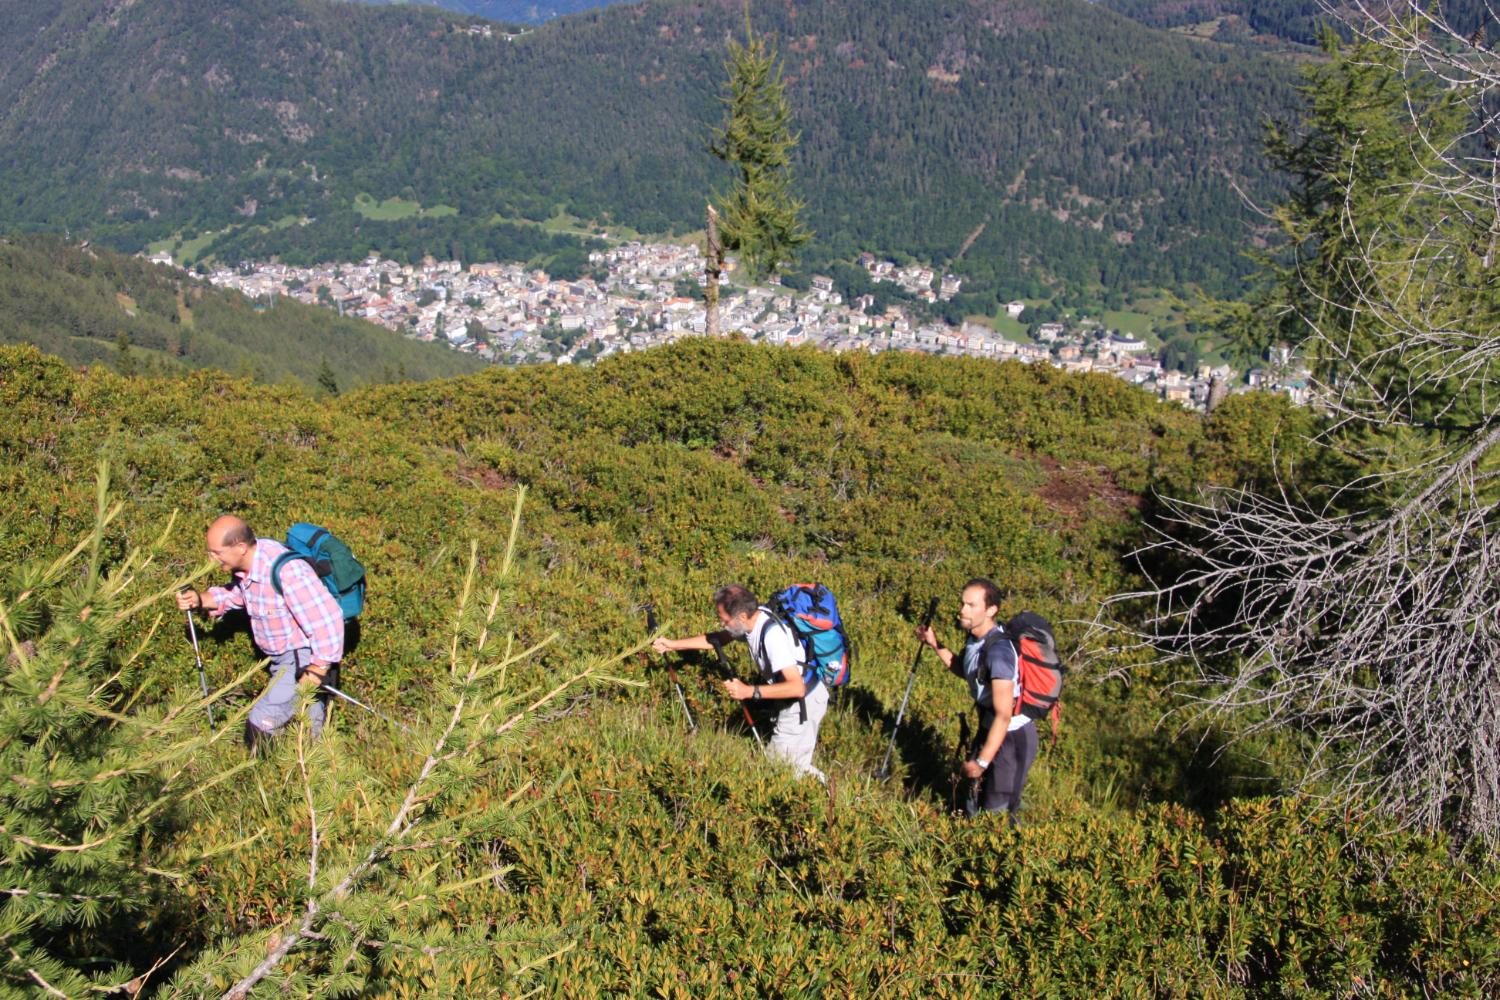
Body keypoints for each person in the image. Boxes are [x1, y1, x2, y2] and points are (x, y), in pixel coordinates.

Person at [176, 515, 344, 749]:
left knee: (261, 724)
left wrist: (318, 670)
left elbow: (328, 619)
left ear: (240, 547)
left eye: (216, 552)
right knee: (308, 730)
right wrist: (200, 600)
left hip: (301, 660)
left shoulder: (288, 571)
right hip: (282, 661)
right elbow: (238, 595)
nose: (211, 559)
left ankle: (261, 776)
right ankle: (312, 776)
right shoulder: (250, 567)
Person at [652, 584, 827, 782]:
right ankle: (828, 793)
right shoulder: (752, 620)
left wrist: (748, 691)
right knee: (792, 765)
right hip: (796, 700)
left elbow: (797, 687)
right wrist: (673, 644)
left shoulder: (771, 637)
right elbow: (717, 639)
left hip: (803, 704)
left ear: (741, 616)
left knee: (780, 770)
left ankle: (830, 797)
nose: (720, 623)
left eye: (724, 619)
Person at [916, 578, 1037, 822]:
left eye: (971, 605)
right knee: (973, 799)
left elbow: (1004, 715)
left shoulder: (999, 652)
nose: (963, 610)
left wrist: (982, 761)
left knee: (996, 814)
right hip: (989, 728)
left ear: (991, 610)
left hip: (1011, 738)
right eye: (963, 603)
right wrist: (935, 644)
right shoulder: (975, 638)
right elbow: (967, 671)